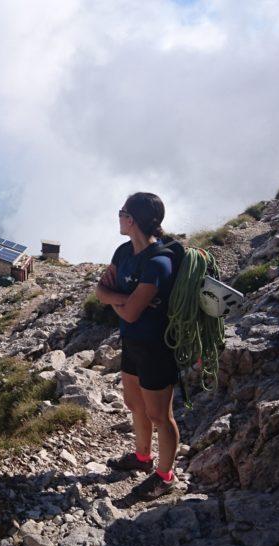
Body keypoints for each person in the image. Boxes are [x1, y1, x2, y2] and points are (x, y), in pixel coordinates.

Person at [94, 192, 181, 500]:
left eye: (121, 212)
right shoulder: (123, 252)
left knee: (160, 416)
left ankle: (165, 475)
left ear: (130, 220)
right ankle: (143, 458)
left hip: (157, 347)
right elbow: (101, 292)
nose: (118, 217)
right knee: (135, 405)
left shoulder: (159, 262)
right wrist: (121, 299)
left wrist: (116, 299)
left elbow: (129, 311)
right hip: (132, 342)